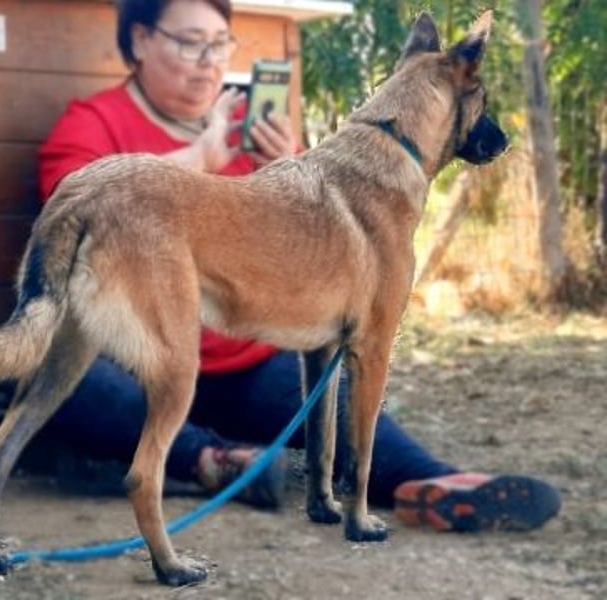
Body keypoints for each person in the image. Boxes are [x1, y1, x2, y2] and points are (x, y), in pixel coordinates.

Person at [37, 0, 560, 533]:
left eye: (220, 45)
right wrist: (201, 158)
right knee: (72, 379)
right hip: (141, 362)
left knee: (333, 394)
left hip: (249, 358)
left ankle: (431, 482)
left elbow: (324, 239)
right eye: (191, 42)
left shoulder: (250, 124)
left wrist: (290, 162)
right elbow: (71, 204)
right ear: (141, 39)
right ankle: (210, 459)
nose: (208, 60)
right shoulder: (93, 122)